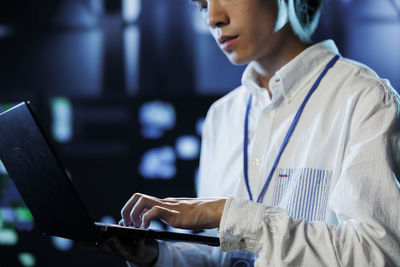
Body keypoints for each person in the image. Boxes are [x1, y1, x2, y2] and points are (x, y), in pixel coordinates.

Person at [98, 0, 400, 266]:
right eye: (203, 5)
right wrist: (156, 257)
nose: (212, 18)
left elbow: (378, 255)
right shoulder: (222, 115)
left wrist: (229, 214)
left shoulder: (365, 99)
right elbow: (222, 256)